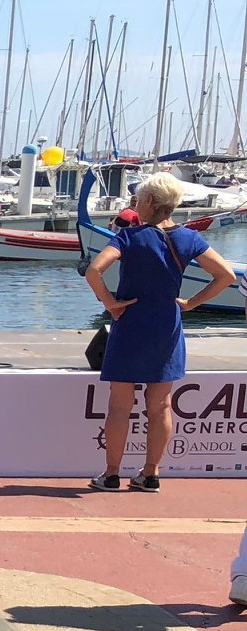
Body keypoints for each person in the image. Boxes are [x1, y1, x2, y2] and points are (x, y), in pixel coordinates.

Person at [83, 171, 239, 491]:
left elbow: (95, 270)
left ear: (150, 201)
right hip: (166, 325)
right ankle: (150, 474)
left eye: (138, 200)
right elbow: (225, 276)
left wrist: (110, 302)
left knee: (119, 405)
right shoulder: (188, 238)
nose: (136, 205)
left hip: (130, 324)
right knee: (161, 405)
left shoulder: (128, 237)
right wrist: (192, 303)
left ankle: (111, 474)